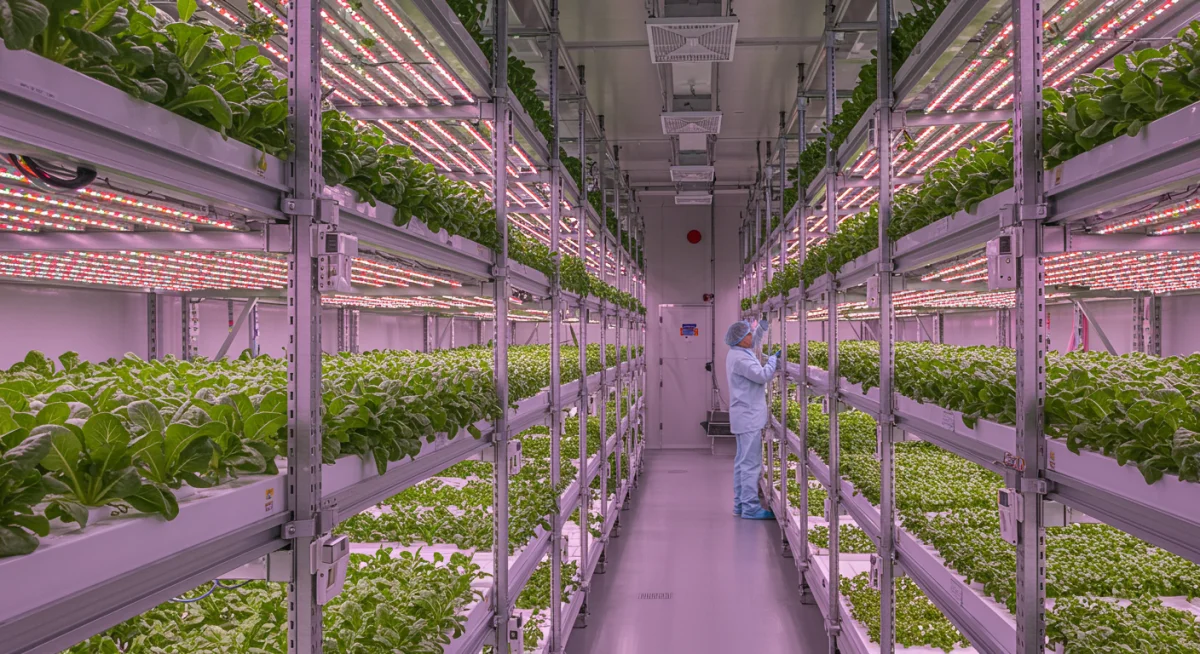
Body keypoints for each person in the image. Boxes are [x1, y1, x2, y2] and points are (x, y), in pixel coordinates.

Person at [724, 318, 781, 520]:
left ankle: (740, 504)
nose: (751, 336)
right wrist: (773, 360)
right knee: (750, 464)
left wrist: (761, 330)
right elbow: (762, 376)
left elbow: (753, 344)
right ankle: (750, 507)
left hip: (744, 416)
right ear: (740, 339)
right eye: (748, 333)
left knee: (742, 462)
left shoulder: (738, 351)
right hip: (748, 417)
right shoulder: (741, 359)